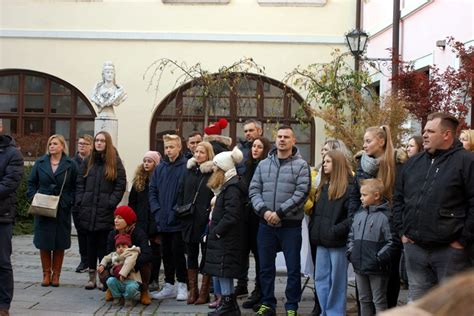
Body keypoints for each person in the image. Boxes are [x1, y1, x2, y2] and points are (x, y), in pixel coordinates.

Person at [393, 112, 474, 301]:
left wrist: (462, 240)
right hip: (415, 248)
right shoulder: (413, 163)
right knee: (419, 307)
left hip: (450, 252)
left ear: (446, 135)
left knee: (450, 307)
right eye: (424, 131)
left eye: (430, 131)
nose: (425, 135)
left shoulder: (467, 162)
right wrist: (402, 232)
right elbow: (398, 198)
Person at [249, 125, 311, 316]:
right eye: (279, 136)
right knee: (265, 267)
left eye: (286, 137)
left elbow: (302, 192)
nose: (282, 139)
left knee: (293, 268)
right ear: (275, 140)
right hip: (265, 224)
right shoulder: (263, 165)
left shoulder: (301, 166)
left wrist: (280, 213)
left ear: (293, 141)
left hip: (290, 226)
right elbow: (254, 190)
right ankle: (268, 303)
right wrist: (265, 212)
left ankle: (291, 305)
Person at [349, 125, 402, 310]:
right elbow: (354, 195)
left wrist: (395, 221)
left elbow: (401, 196)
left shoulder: (397, 163)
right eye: (364, 141)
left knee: (385, 291)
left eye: (368, 141)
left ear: (381, 141)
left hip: (386, 228)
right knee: (363, 295)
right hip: (363, 229)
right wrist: (354, 221)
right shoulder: (361, 164)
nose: (364, 145)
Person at [75, 131, 127, 290]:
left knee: (104, 246)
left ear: (107, 143)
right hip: (88, 209)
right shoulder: (88, 161)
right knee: (89, 245)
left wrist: (111, 202)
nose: (98, 143)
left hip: (105, 210)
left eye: (102, 141)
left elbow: (120, 184)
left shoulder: (115, 161)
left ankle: (103, 276)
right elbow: (79, 182)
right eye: (97, 140)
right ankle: (91, 277)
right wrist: (81, 200)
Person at [27, 134, 78, 287]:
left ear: (62, 146)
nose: (52, 146)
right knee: (44, 241)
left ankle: (56, 275)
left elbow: (76, 186)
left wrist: (68, 201)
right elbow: (31, 183)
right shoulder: (40, 163)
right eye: (50, 144)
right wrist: (34, 197)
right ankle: (46, 274)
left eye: (55, 144)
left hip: (61, 207)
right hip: (43, 207)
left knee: (59, 242)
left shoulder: (71, 164)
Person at [203, 146, 247, 316]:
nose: (213, 170)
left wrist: (217, 232)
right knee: (221, 271)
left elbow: (232, 215)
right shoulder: (227, 185)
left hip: (226, 238)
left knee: (224, 271)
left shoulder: (232, 187)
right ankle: (230, 306)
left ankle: (228, 305)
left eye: (216, 167)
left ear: (223, 169)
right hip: (223, 237)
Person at [347, 179, 400, 316]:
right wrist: (352, 254)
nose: (361, 198)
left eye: (364, 195)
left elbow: (392, 241)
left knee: (379, 300)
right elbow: (351, 236)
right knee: (363, 299)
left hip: (377, 269)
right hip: (359, 265)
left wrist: (378, 259)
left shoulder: (386, 216)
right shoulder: (359, 215)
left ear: (376, 196)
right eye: (361, 195)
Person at [310, 150, 353, 316]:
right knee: (321, 279)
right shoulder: (323, 186)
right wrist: (315, 229)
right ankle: (325, 311)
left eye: (328, 161)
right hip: (321, 242)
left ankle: (335, 312)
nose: (324, 164)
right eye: (324, 161)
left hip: (337, 242)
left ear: (337, 164)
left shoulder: (349, 189)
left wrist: (335, 231)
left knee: (337, 281)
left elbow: (352, 217)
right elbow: (316, 214)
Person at [149, 134, 188, 301]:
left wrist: (174, 211)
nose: (169, 150)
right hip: (162, 218)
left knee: (178, 253)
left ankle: (182, 284)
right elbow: (153, 190)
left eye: (172, 147)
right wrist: (157, 210)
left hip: (177, 219)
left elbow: (184, 193)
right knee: (165, 253)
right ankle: (169, 284)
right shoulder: (160, 168)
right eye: (166, 147)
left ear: (179, 147)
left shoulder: (186, 167)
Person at [177, 141, 215, 304]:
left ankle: (205, 291)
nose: (198, 155)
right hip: (189, 219)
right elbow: (180, 192)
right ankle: (193, 290)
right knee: (190, 255)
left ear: (208, 154)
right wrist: (179, 209)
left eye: (202, 152)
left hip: (205, 221)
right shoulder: (188, 171)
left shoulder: (213, 172)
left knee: (206, 255)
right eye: (196, 152)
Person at [241, 136, 272, 310]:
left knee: (262, 258)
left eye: (259, 147)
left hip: (261, 216)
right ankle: (255, 290)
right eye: (253, 146)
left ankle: (262, 292)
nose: (255, 149)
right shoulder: (248, 166)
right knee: (251, 254)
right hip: (248, 218)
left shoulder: (267, 167)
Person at [104, 206, 153, 305]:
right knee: (102, 269)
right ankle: (111, 289)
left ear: (128, 220)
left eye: (120, 218)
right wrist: (116, 265)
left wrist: (131, 265)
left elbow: (147, 254)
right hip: (117, 264)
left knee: (146, 266)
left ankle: (144, 290)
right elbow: (108, 253)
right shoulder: (112, 234)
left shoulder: (139, 233)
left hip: (134, 266)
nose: (116, 220)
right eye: (115, 217)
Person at [128, 151, 161, 292]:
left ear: (156, 163)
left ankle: (154, 279)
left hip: (155, 222)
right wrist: (132, 220)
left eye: (150, 161)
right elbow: (132, 203)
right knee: (139, 251)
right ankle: (140, 278)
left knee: (155, 252)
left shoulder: (160, 179)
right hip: (140, 222)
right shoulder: (138, 181)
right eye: (145, 161)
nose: (146, 163)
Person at [0, 125, 23, 316]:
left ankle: (3, 305)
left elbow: (9, 183)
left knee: (2, 262)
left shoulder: (12, 154)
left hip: (2, 215)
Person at [99, 233, 142, 307]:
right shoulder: (114, 254)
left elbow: (129, 263)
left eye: (123, 246)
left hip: (130, 280)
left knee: (132, 287)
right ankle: (117, 297)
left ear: (128, 247)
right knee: (110, 281)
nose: (121, 248)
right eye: (118, 247)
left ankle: (128, 298)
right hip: (118, 280)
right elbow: (106, 258)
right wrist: (102, 264)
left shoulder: (132, 253)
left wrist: (123, 273)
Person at [72, 134, 93, 273]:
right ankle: (84, 260)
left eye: (85, 144)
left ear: (91, 146)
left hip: (92, 203)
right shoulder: (72, 162)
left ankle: (93, 261)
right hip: (77, 203)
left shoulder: (95, 162)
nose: (82, 146)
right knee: (81, 233)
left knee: (92, 233)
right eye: (80, 143)